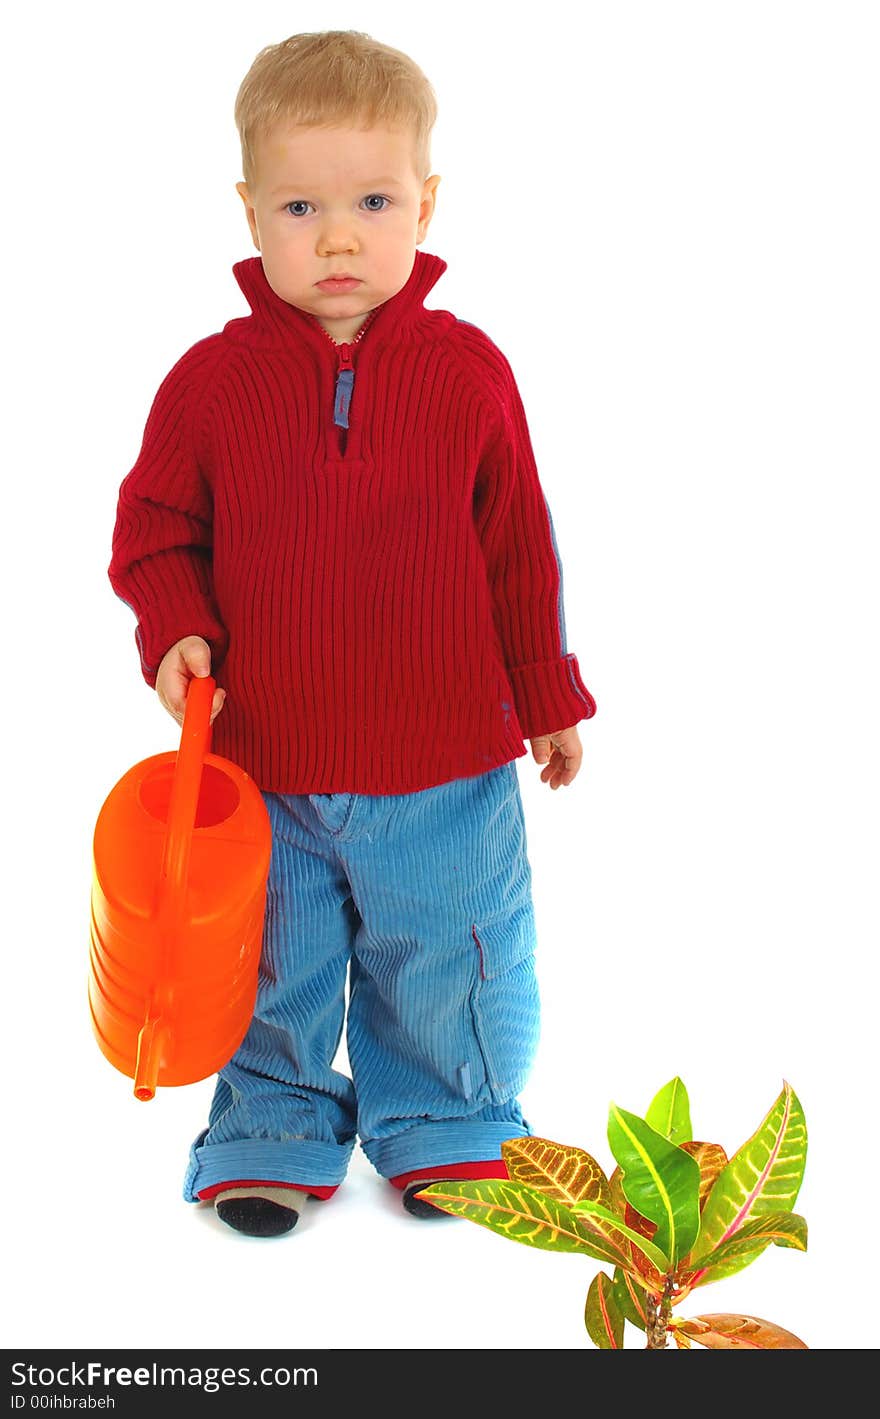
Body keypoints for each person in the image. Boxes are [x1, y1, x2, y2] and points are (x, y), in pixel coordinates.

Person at [108, 29, 597, 1238]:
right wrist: (173, 630)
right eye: (300, 205)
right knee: (270, 959)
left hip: (443, 758)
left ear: (425, 204)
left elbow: (517, 546)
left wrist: (545, 694)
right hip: (263, 762)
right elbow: (154, 532)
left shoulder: (468, 371)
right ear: (249, 211)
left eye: (374, 201)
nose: (337, 236)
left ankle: (449, 1121)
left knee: (447, 950)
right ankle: (267, 1124)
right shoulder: (208, 385)